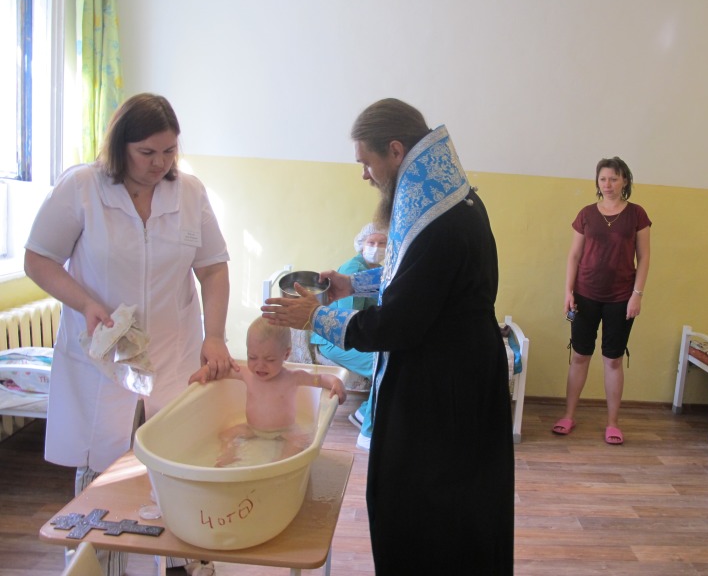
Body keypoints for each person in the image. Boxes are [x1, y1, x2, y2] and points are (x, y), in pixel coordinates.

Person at [261, 98, 514, 575]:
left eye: (366, 161)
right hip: (454, 369)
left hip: (443, 388)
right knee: (453, 505)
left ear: (395, 151)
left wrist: (315, 317)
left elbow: (397, 323)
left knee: (426, 508)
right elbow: (414, 276)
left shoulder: (438, 221)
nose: (364, 174)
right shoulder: (444, 198)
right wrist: (352, 284)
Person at [24, 93, 233, 576]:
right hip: (104, 357)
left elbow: (213, 269)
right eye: (147, 152)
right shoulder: (82, 188)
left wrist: (216, 335)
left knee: (176, 459)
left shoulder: (189, 193)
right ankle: (95, 563)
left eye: (170, 151)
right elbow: (39, 259)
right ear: (121, 147)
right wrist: (86, 303)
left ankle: (182, 560)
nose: (160, 163)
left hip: (174, 352)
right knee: (103, 470)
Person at [552, 156, 651, 445]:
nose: (608, 184)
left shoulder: (637, 214)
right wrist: (568, 292)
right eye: (603, 179)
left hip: (621, 298)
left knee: (613, 360)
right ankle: (568, 415)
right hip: (585, 295)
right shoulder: (586, 214)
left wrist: (637, 295)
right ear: (597, 182)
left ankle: (612, 423)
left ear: (625, 181)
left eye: (614, 179)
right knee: (580, 356)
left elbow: (644, 257)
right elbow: (574, 256)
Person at [189, 318, 346, 466]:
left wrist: (334, 381)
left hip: (285, 430)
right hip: (252, 428)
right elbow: (221, 372)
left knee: (299, 443)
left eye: (269, 360)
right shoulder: (245, 373)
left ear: (286, 354)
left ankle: (280, 463)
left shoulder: (292, 377)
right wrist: (205, 371)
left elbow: (319, 379)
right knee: (225, 434)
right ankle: (228, 454)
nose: (260, 365)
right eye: (252, 357)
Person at [309, 222, 387, 451]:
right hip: (335, 339)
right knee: (384, 363)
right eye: (371, 242)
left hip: (354, 334)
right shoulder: (354, 269)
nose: (376, 247)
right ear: (361, 245)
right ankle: (367, 427)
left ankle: (366, 413)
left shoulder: (377, 271)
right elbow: (347, 321)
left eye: (382, 243)